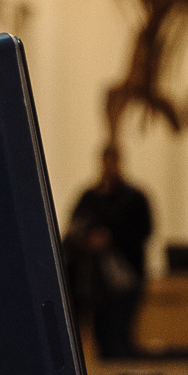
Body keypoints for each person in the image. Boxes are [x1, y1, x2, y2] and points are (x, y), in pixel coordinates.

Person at [66, 144, 155, 360]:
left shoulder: (134, 198)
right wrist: (88, 240)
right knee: (101, 338)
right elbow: (73, 229)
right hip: (96, 284)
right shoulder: (89, 197)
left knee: (120, 338)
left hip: (125, 280)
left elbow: (144, 231)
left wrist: (111, 237)